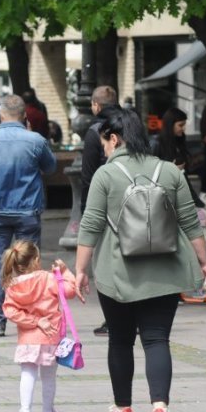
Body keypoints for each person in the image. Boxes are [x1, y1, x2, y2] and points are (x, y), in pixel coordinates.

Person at [74, 109, 206, 412]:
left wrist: (80, 270)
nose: (104, 149)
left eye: (104, 143)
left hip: (117, 272)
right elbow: (190, 221)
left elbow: (90, 224)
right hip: (165, 271)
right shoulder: (169, 170)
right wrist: (204, 262)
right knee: (156, 339)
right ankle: (161, 411)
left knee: (120, 341)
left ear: (114, 138)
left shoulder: (105, 175)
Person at [0, 94, 57, 338]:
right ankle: (30, 316)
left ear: (1, 115)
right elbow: (50, 167)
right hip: (27, 210)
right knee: (29, 263)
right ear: (24, 116)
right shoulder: (35, 140)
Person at [1, 241, 75, 412]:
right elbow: (69, 291)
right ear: (36, 260)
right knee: (49, 377)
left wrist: (34, 320)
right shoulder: (48, 278)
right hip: (51, 336)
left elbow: (10, 311)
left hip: (28, 338)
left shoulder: (13, 285)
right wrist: (65, 272)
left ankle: (25, 411)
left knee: (28, 373)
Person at [79, 85, 122, 337]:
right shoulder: (131, 123)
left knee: (106, 262)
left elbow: (87, 176)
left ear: (96, 105)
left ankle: (113, 318)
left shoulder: (96, 131)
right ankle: (135, 313)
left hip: (105, 205)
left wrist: (86, 210)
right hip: (135, 202)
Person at [151, 107, 206, 217]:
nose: (184, 128)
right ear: (170, 125)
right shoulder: (156, 143)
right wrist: (171, 169)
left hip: (177, 198)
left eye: (184, 125)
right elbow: (148, 173)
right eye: (181, 125)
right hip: (160, 202)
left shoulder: (178, 142)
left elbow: (183, 175)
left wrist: (197, 201)